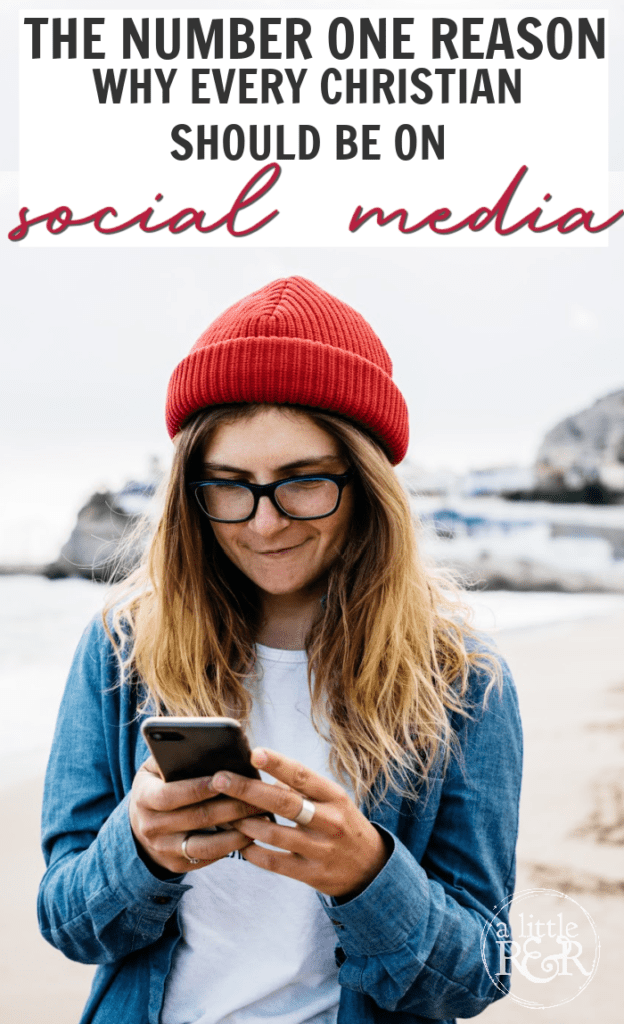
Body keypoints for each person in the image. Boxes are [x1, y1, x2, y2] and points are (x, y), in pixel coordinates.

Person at [39, 276, 522, 1024]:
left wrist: (368, 875)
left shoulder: (464, 681)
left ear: (364, 485)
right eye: (230, 486)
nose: (264, 524)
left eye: (302, 484)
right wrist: (138, 848)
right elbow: (69, 925)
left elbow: (477, 973)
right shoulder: (120, 651)